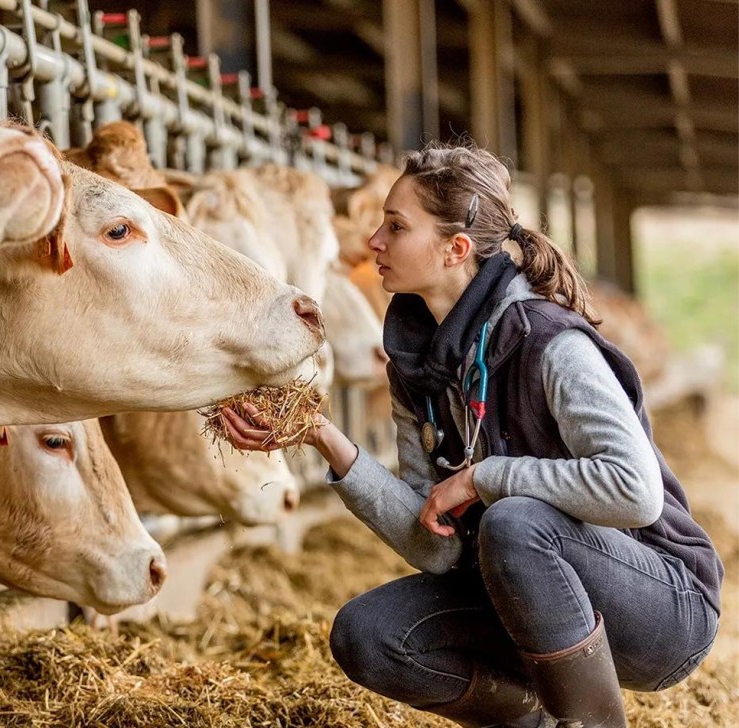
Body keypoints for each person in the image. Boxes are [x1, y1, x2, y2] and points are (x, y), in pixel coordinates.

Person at [220, 143, 722, 728]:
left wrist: (484, 478)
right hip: (524, 591)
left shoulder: (550, 344)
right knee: (371, 634)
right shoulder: (417, 369)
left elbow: (636, 491)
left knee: (515, 522)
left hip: (663, 601)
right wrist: (327, 441)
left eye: (396, 226)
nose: (373, 242)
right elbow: (437, 547)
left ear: (455, 248)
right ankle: (538, 719)